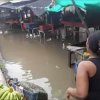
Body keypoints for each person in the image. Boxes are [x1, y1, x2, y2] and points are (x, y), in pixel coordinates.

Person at [66, 30, 100, 100]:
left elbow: (81, 94)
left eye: (87, 42)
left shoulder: (85, 65)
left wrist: (69, 90)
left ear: (89, 46)